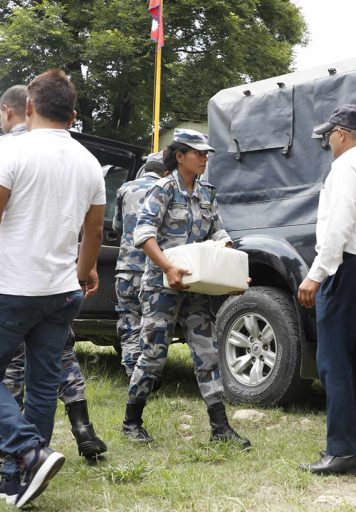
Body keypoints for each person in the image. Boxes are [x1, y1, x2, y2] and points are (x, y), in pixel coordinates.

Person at [0, 69, 105, 508]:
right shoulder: (89, 162)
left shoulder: (10, 151)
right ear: (72, 115)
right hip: (61, 291)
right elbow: (94, 231)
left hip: (13, 287)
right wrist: (86, 270)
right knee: (42, 382)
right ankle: (20, 477)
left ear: (30, 106)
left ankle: (28, 450)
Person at [121, 128, 250, 448]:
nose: (205, 158)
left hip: (196, 284)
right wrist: (167, 267)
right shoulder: (163, 190)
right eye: (198, 153)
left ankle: (221, 427)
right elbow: (144, 235)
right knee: (153, 354)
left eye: (207, 154)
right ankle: (131, 421)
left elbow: (219, 233)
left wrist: (230, 271)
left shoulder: (207, 193)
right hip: (160, 285)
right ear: (180, 156)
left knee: (207, 351)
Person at [297, 104, 356, 476]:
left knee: (333, 361)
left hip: (346, 269)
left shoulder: (346, 168)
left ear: (339, 134)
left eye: (327, 137)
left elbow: (339, 225)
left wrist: (316, 274)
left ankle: (341, 451)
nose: (327, 143)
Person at [113, 151, 170, 383]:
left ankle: (131, 374)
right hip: (154, 269)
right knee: (152, 323)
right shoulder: (168, 190)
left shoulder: (125, 189)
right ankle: (148, 376)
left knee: (129, 322)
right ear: (165, 171)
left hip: (126, 269)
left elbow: (117, 225)